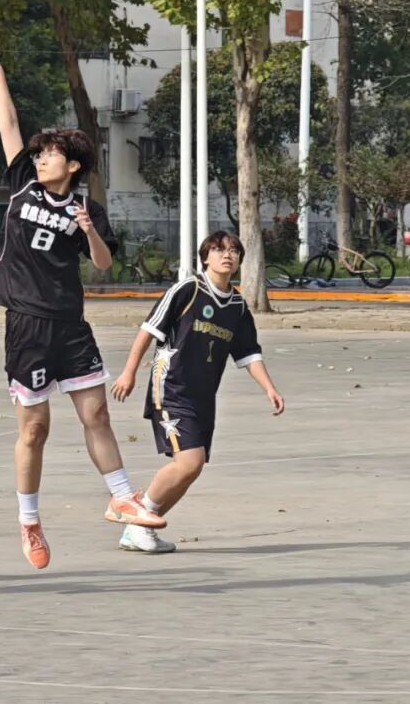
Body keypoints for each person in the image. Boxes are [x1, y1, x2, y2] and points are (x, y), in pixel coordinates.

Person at [0, 31, 164, 569]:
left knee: (96, 413)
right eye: (39, 155)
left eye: (50, 155)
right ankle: (29, 521)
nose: (40, 160)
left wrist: (88, 230)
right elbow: (8, 125)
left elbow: (102, 264)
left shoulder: (87, 210)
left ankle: (121, 496)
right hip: (27, 325)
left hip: (70, 325)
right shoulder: (21, 185)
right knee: (35, 430)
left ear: (74, 165)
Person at [110, 231, 285, 552]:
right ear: (205, 258)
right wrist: (129, 372)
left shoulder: (237, 306)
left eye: (233, 251)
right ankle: (136, 515)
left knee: (193, 468)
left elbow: (249, 353)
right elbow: (148, 330)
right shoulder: (188, 289)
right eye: (219, 250)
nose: (227, 255)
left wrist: (270, 389)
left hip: (204, 398)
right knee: (190, 461)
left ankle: (138, 529)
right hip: (171, 389)